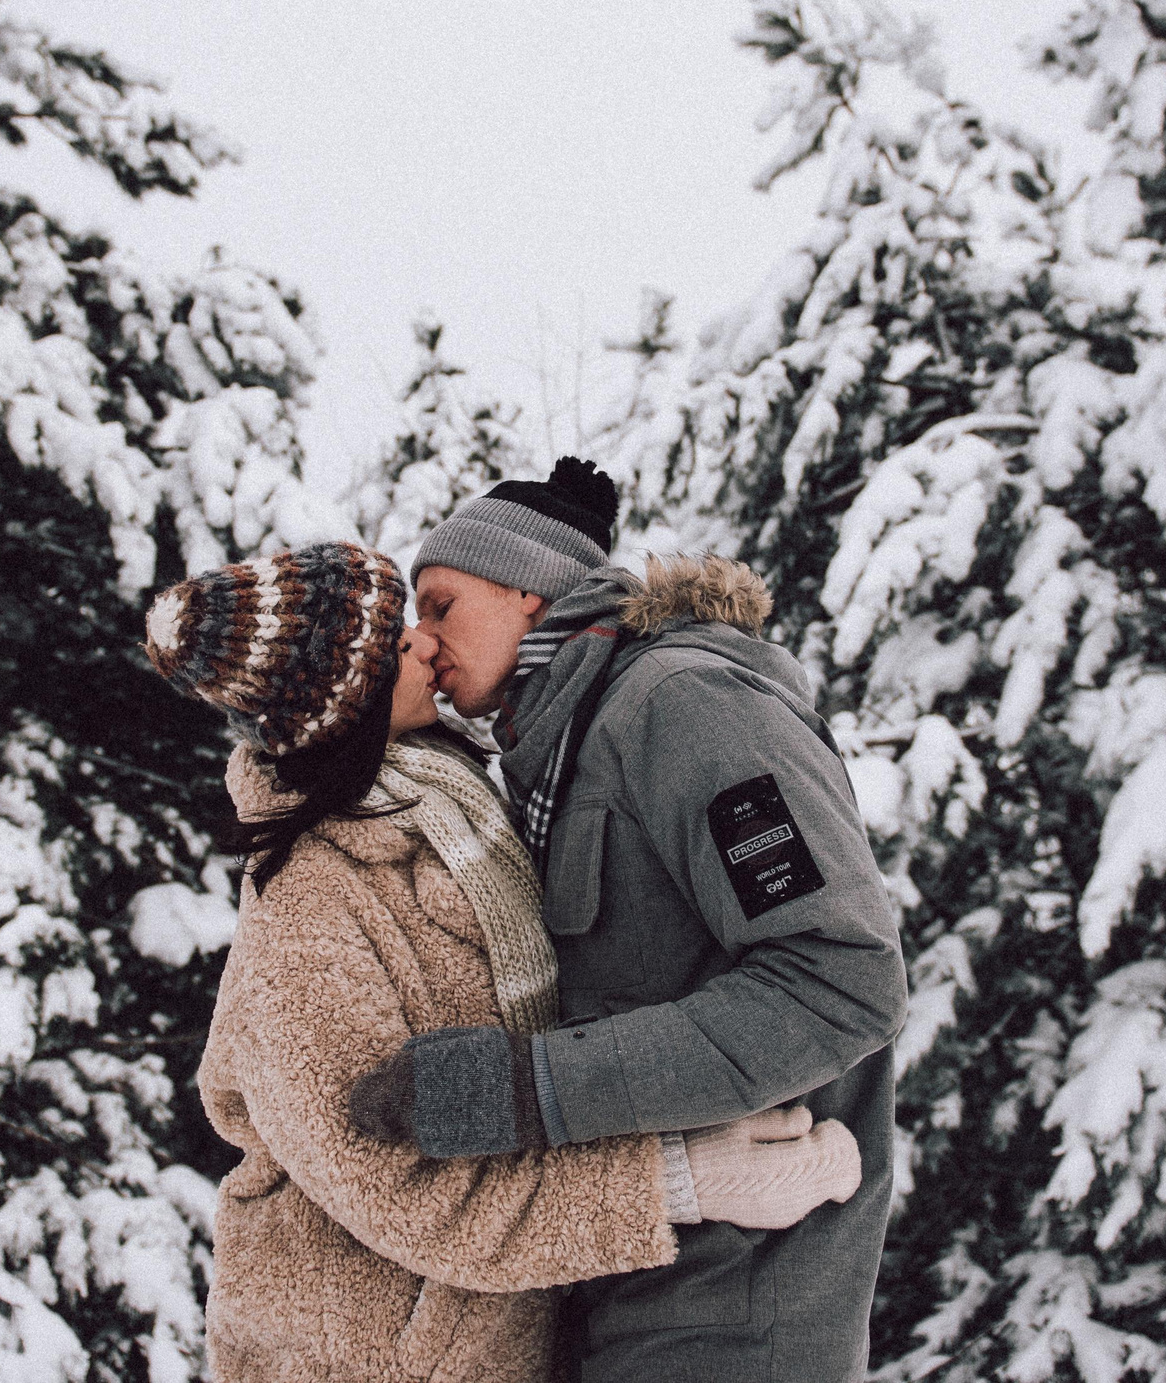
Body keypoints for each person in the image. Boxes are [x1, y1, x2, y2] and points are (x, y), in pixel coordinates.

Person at [142, 540, 864, 1383]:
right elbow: (404, 1187)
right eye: (386, 642)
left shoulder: (454, 806)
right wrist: (680, 1180)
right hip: (359, 1359)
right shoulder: (307, 910)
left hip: (491, 1343)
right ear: (338, 706)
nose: (417, 640)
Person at [345, 462, 910, 1383]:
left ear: (527, 591)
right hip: (634, 1297)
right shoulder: (563, 752)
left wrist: (522, 1090)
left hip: (736, 1318)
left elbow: (841, 978)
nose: (423, 636)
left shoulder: (685, 706)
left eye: (440, 602)